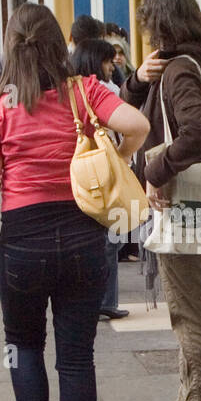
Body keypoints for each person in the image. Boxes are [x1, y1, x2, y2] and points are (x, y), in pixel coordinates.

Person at [0, 3, 149, 401]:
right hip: (83, 239)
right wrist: (114, 160)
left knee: (23, 347)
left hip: (22, 243)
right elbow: (138, 127)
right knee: (77, 358)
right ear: (56, 42)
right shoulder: (85, 93)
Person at [120, 0, 201, 401]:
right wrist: (138, 79)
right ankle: (189, 400)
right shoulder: (188, 64)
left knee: (189, 309)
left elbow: (196, 135)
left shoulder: (181, 72)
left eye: (150, 25)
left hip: (184, 197)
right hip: (196, 198)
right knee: (186, 304)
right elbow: (128, 107)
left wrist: (154, 169)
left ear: (161, 25)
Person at [70, 38, 130, 322]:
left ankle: (95, 299)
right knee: (113, 235)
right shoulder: (104, 90)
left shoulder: (70, 90)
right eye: (108, 61)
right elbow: (136, 126)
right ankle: (106, 300)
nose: (111, 66)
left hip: (83, 170)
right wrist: (124, 156)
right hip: (106, 169)